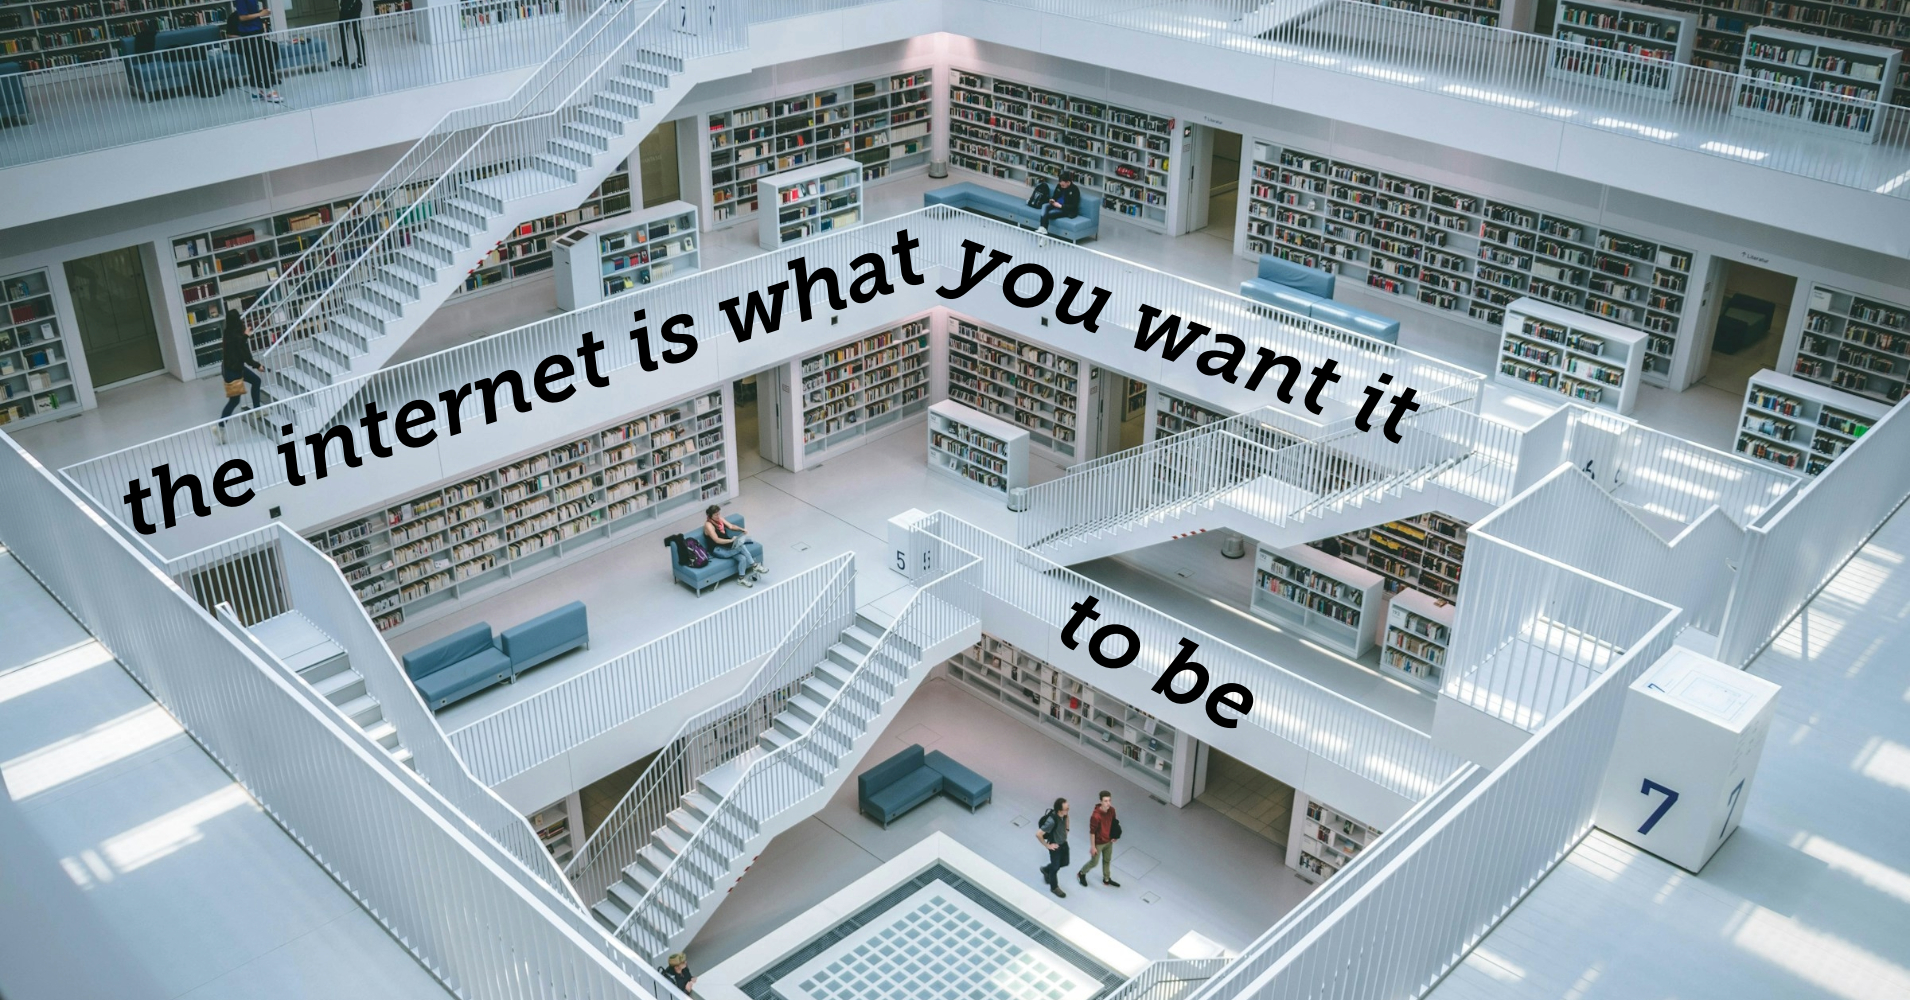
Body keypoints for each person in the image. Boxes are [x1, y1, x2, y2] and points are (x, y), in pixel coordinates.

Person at [216, 310, 264, 442]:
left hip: (230, 368)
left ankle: (257, 410)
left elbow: (237, 343)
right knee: (234, 401)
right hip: (234, 371)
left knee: (255, 381)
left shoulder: (228, 332)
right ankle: (220, 427)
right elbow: (245, 354)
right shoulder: (238, 337)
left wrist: (244, 336)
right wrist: (257, 365)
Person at [230, 0, 282, 103]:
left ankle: (256, 92)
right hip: (250, 35)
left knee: (261, 59)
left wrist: (261, 12)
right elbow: (242, 17)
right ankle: (268, 90)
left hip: (257, 32)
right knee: (260, 61)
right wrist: (260, 14)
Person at [704, 504, 766, 587]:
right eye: (716, 515)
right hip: (717, 549)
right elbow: (716, 540)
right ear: (710, 516)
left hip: (726, 545)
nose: (718, 516)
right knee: (741, 546)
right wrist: (730, 540)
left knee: (743, 558)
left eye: (719, 513)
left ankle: (741, 579)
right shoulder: (709, 525)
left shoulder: (719, 519)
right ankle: (754, 565)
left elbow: (731, 526)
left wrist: (742, 529)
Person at [1075, 790, 1121, 888]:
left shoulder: (1112, 810)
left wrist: (1114, 836)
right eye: (1105, 801)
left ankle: (1107, 879)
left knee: (1107, 860)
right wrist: (1093, 847)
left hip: (1108, 841)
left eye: (1109, 800)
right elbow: (1092, 832)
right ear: (1100, 801)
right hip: (1099, 843)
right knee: (1094, 862)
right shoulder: (1095, 816)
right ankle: (1081, 873)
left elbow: (1113, 823)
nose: (1108, 803)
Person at [1036, 796, 1070, 898]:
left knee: (1065, 862)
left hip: (1064, 843)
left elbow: (1067, 818)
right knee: (1055, 867)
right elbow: (1038, 834)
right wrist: (1047, 845)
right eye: (1066, 809)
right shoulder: (1051, 821)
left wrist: (1067, 829)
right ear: (1059, 810)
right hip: (1055, 846)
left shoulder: (1064, 815)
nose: (1068, 811)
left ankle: (1046, 869)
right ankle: (1054, 887)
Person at [332, 0, 364, 69]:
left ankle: (361, 60)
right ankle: (345, 58)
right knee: (343, 32)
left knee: (356, 33)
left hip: (353, 5)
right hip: (346, 6)